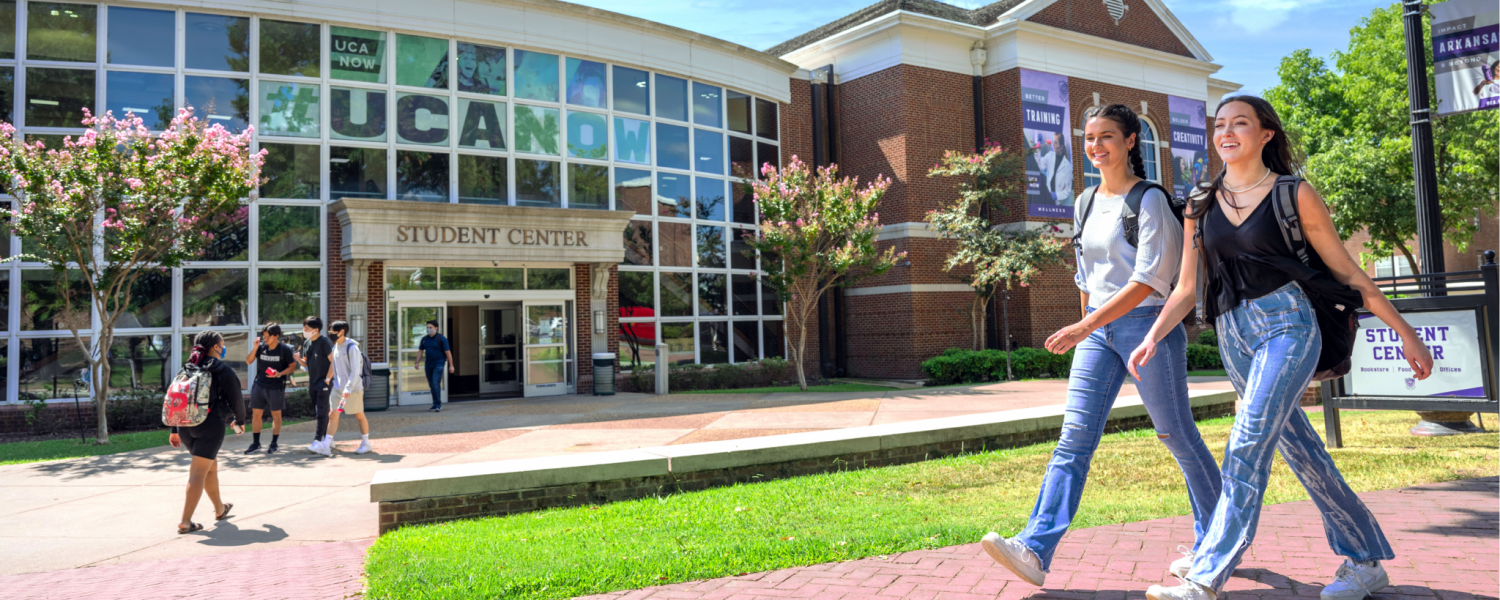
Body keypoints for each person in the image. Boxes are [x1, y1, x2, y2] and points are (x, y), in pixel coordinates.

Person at [1128, 96, 1434, 600]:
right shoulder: (1200, 199)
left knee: (1246, 439)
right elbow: (1186, 287)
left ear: (1265, 134)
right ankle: (1365, 559)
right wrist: (1152, 335)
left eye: (1240, 124)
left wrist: (1406, 332)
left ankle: (1207, 574)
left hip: (1288, 327)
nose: (1226, 133)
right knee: (1302, 450)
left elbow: (1347, 272)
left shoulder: (1295, 194)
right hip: (1233, 334)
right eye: (1220, 125)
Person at [979, 104, 1221, 586]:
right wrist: (1086, 320)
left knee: (1176, 435)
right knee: (1074, 438)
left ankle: (1217, 539)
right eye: (1089, 138)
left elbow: (1150, 282)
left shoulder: (1150, 200)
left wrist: (1083, 325)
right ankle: (1034, 548)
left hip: (1148, 327)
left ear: (1131, 141)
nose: (1096, 146)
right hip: (1098, 333)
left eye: (1107, 136)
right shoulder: (1085, 200)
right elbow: (1085, 273)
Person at [170, 330, 248, 534]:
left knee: (210, 468)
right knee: (198, 473)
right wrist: (239, 421)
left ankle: (220, 509)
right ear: (215, 346)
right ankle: (186, 521)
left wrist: (173, 429)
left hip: (185, 426)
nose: (224, 347)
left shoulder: (187, 367)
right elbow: (237, 401)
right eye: (222, 343)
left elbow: (176, 398)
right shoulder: (223, 370)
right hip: (209, 426)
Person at [244, 322, 297, 454]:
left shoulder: (284, 349)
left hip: (276, 387)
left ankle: (274, 443)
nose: (265, 339)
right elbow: (248, 361)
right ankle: (256, 443)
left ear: (276, 336)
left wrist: (279, 374)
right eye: (264, 337)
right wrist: (255, 347)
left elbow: (292, 366)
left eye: (268, 337)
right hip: (259, 385)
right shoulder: (261, 347)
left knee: (276, 416)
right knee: (256, 415)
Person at [324, 320, 373, 455]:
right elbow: (335, 367)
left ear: (342, 332)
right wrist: (329, 379)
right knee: (333, 414)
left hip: (352, 389)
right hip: (338, 387)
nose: (330, 334)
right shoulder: (335, 348)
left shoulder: (352, 348)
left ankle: (366, 443)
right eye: (330, 331)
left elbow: (355, 372)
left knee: (359, 415)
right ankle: (326, 445)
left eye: (333, 331)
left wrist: (348, 388)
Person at [294, 316, 334, 457]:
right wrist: (299, 360)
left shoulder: (324, 342)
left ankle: (318, 441)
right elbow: (306, 364)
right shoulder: (307, 343)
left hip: (324, 382)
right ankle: (327, 438)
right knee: (319, 411)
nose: (304, 331)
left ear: (316, 330)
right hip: (313, 382)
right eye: (303, 328)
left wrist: (328, 379)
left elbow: (333, 362)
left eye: (306, 329)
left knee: (321, 412)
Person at [416, 319, 454, 412]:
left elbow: (448, 352)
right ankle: (435, 404)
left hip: (439, 363)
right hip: (428, 365)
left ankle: (438, 405)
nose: (429, 329)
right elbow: (420, 351)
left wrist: (451, 365)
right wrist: (417, 362)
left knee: (435, 382)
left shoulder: (441, 338)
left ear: (436, 328)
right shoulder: (424, 339)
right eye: (427, 327)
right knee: (432, 385)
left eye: (431, 327)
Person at [1048, 131, 1073, 206]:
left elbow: (1068, 191)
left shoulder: (1067, 166)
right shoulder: (1050, 157)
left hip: (1062, 208)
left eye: (1056, 143)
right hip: (1049, 204)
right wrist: (1038, 149)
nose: (1053, 144)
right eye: (1053, 142)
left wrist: (1056, 195)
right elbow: (1040, 164)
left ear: (1062, 146)